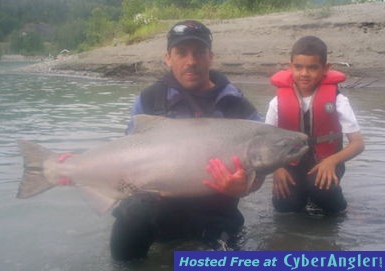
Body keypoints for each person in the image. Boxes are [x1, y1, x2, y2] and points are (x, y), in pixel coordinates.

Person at [109, 20, 262, 261]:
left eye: (199, 52)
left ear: (210, 57)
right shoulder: (149, 101)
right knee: (132, 214)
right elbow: (127, 163)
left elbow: (260, 167)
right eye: (181, 53)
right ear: (168, 58)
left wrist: (245, 188)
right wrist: (79, 172)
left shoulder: (237, 106)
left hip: (218, 210)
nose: (191, 61)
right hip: (161, 208)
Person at [265, 36, 365, 214]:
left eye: (312, 67)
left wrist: (332, 161)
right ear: (290, 66)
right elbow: (265, 141)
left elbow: (358, 143)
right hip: (290, 164)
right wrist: (277, 168)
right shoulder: (276, 103)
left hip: (326, 162)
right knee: (284, 205)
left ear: (325, 68)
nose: (304, 73)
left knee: (323, 194)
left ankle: (342, 208)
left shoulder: (338, 100)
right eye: (298, 67)